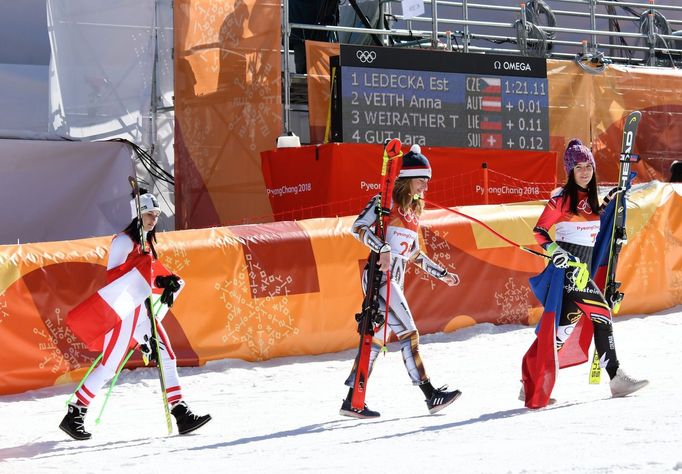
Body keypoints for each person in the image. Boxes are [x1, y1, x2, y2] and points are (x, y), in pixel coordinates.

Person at [59, 189, 211, 440]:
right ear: (138, 214)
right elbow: (115, 277)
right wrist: (155, 277)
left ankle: (181, 412)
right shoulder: (123, 241)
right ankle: (75, 412)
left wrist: (166, 282)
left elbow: (149, 274)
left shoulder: (147, 243)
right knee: (109, 366)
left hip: (143, 310)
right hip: (125, 310)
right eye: (150, 214)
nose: (154, 219)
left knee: (167, 356)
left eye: (156, 214)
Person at [522, 139, 648, 408]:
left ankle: (528, 382)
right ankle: (616, 378)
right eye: (578, 166)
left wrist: (610, 203)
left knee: (562, 332)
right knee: (602, 313)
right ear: (570, 170)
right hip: (570, 272)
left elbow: (592, 223)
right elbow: (539, 232)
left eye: (587, 165)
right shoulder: (561, 197)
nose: (584, 171)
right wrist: (558, 252)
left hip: (584, 270)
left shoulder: (589, 200)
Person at [340, 144, 462, 419]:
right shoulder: (384, 202)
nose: (425, 188)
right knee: (409, 333)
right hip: (380, 277)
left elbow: (414, 253)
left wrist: (442, 273)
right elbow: (357, 227)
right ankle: (430, 394)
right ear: (407, 178)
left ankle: (352, 400)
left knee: (375, 339)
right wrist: (381, 248)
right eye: (422, 181)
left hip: (396, 276)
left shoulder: (412, 212)